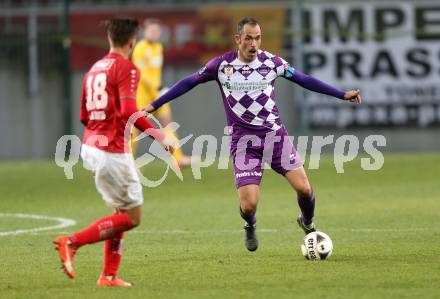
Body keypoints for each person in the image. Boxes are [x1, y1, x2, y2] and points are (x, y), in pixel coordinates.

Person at [143, 17, 361, 252]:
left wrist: (341, 94)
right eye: (248, 38)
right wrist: (155, 104)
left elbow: (304, 80)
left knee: (305, 189)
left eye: (257, 38)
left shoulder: (272, 63)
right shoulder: (222, 66)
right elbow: (188, 82)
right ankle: (250, 224)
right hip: (243, 142)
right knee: (248, 205)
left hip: (275, 137)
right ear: (238, 39)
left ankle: (307, 223)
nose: (253, 43)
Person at [54, 17, 172, 286]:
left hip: (91, 145)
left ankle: (109, 275)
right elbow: (129, 110)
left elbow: (84, 115)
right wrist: (158, 135)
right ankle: (71, 243)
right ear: (132, 42)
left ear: (109, 39)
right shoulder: (127, 68)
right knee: (132, 218)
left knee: (120, 212)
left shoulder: (94, 69)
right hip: (111, 150)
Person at [131, 18, 191, 168]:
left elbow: (155, 72)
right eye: (151, 30)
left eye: (157, 30)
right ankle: (128, 162)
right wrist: (158, 88)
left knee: (168, 125)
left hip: (156, 94)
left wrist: (159, 90)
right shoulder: (140, 48)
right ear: (144, 32)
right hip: (143, 94)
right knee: (135, 129)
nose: (154, 33)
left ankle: (178, 158)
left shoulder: (158, 47)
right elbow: (141, 74)